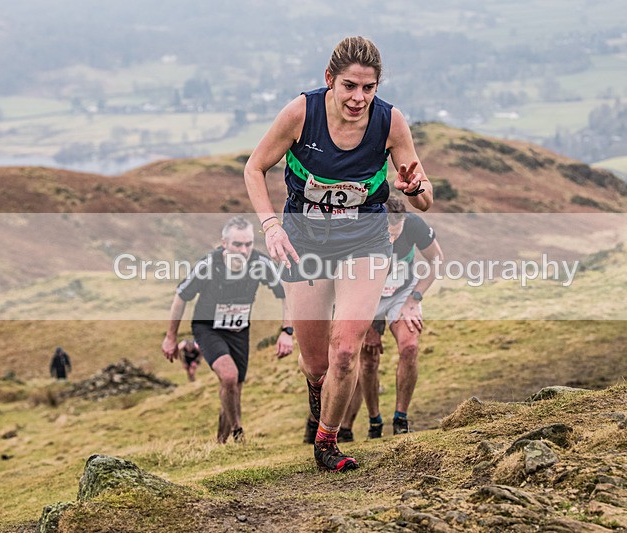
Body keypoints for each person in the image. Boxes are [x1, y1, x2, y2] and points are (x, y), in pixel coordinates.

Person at [244, 36, 433, 471]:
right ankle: (319, 394)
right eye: (349, 86)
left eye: (368, 88)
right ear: (329, 79)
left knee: (345, 351)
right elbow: (254, 168)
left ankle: (327, 442)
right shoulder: (301, 113)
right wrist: (271, 225)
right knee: (316, 364)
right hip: (304, 242)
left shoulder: (390, 122)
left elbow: (425, 198)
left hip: (365, 241)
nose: (358, 98)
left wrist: (415, 189)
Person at [162, 216, 294, 444]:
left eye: (248, 244)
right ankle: (238, 431)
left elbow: (286, 292)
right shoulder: (208, 265)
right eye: (237, 244)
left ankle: (221, 443)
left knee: (233, 388)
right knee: (229, 376)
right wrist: (170, 337)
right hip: (208, 328)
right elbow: (181, 296)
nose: (244, 250)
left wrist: (287, 331)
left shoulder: (260, 264)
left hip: (239, 331)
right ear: (224, 243)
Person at [339, 196, 443, 440]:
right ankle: (374, 422)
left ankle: (400, 420)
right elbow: (348, 279)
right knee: (368, 361)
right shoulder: (363, 229)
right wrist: (370, 325)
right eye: (388, 235)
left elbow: (437, 260)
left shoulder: (413, 224)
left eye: (396, 234)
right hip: (366, 296)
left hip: (401, 293)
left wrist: (414, 299)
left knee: (410, 347)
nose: (392, 240)